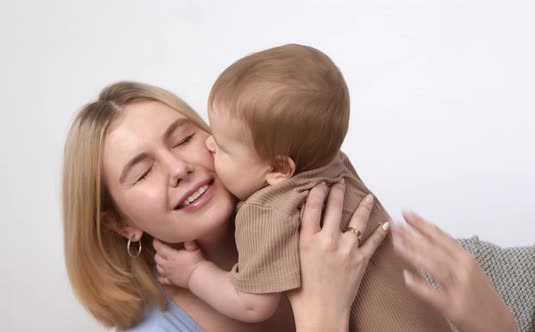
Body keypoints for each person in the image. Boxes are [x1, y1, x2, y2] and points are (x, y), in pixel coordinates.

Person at [153, 44, 450, 331]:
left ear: (279, 170)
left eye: (224, 147)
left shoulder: (264, 209)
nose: (209, 143)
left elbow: (252, 304)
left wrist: (193, 273)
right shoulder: (335, 162)